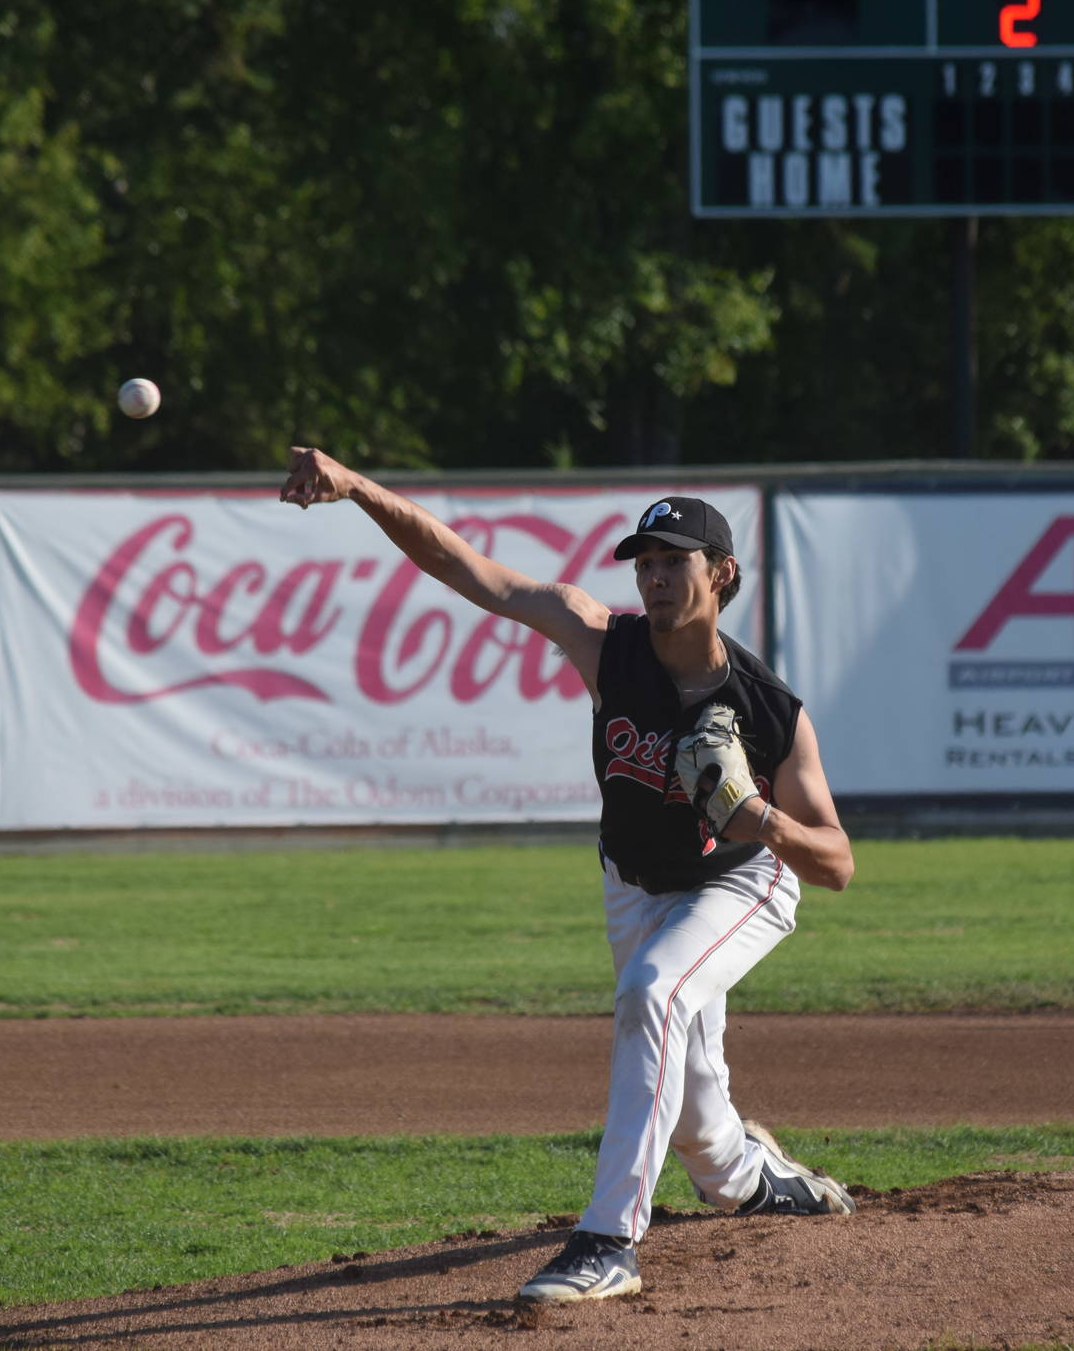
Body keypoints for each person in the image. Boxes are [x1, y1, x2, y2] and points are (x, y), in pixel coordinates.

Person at [280, 446, 857, 1304]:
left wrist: (761, 819)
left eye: (674, 562)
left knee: (653, 994)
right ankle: (755, 1177)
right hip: (632, 883)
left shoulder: (769, 708)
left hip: (740, 882)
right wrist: (359, 486)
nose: (653, 578)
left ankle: (608, 1239)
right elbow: (463, 567)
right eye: (646, 563)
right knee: (700, 1128)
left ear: (722, 571)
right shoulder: (604, 643)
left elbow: (838, 861)